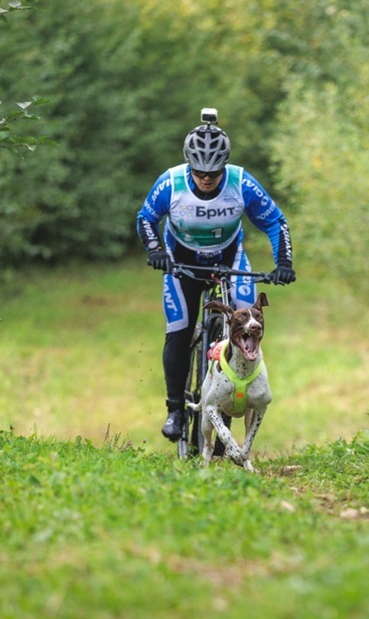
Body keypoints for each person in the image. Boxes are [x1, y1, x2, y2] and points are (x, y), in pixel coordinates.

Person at [135, 109, 296, 441]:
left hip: (229, 259)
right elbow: (146, 218)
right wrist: (156, 251)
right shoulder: (171, 182)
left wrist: (284, 263)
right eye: (199, 172)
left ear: (224, 167)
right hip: (182, 264)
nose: (206, 179)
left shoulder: (241, 183)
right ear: (189, 166)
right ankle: (176, 410)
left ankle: (232, 401)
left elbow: (275, 222)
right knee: (179, 329)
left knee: (247, 321)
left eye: (213, 173)